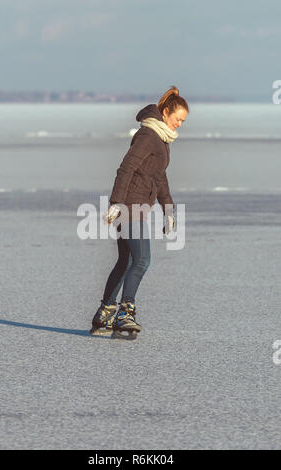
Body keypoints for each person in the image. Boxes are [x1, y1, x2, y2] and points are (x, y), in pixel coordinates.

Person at [90, 86, 189, 339]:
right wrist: (115, 203)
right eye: (178, 119)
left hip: (138, 207)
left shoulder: (162, 139)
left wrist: (168, 209)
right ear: (166, 112)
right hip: (129, 207)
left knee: (126, 262)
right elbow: (126, 168)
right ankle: (125, 313)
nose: (180, 124)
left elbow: (159, 176)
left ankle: (104, 314)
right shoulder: (148, 135)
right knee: (142, 260)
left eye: (183, 121)